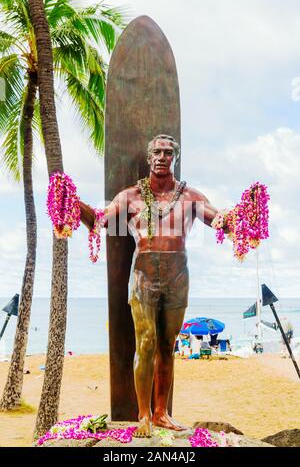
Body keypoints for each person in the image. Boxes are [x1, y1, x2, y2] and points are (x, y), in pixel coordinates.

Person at [79, 134, 229, 437]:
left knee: (167, 347)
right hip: (144, 274)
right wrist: (71, 202)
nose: (162, 157)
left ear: (174, 158)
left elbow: (218, 220)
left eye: (167, 152)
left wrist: (243, 217)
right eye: (157, 152)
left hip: (177, 273)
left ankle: (162, 413)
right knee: (146, 342)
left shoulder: (189, 197)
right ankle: (144, 415)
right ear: (149, 158)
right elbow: (99, 220)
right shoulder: (131, 196)